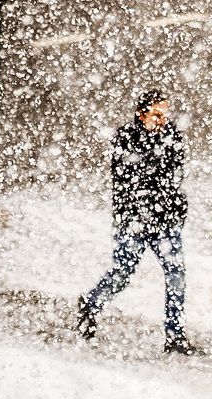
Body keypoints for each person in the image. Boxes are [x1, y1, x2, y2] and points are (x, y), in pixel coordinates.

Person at [78, 89, 200, 354]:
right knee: (122, 272)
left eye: (165, 114)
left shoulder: (172, 137)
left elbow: (174, 176)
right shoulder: (126, 138)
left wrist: (176, 206)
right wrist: (151, 190)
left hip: (165, 220)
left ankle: (175, 335)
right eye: (157, 114)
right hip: (134, 220)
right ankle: (91, 304)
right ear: (142, 113)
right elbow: (128, 177)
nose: (162, 120)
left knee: (176, 275)